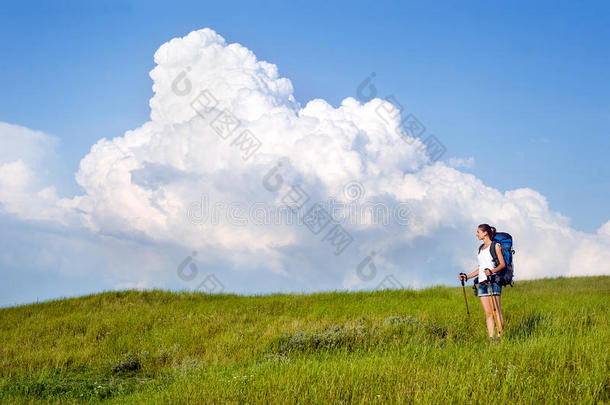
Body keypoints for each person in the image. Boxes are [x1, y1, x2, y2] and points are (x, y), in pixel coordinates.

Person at [459, 224, 506, 339]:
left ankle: (499, 338)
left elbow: (502, 264)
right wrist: (467, 277)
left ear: (485, 233)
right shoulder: (481, 248)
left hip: (493, 282)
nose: (476, 234)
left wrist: (492, 271)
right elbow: (481, 267)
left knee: (496, 311)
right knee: (488, 313)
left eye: (478, 232)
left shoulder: (495, 246)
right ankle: (491, 339)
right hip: (482, 284)